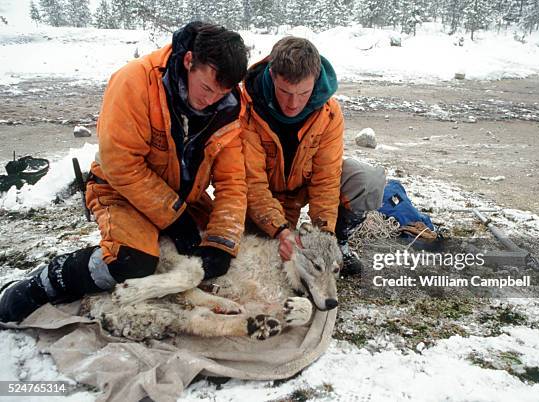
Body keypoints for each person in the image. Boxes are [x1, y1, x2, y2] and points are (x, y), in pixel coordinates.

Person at [0, 22, 249, 323]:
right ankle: (44, 283)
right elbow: (120, 164)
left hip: (184, 200)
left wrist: (221, 243)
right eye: (206, 88)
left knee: (230, 246)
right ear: (188, 62)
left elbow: (233, 181)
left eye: (219, 94)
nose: (210, 101)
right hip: (120, 190)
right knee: (132, 262)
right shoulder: (135, 81)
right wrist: (174, 217)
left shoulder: (231, 107)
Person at [240, 37, 385, 275]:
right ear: (272, 75)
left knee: (367, 180)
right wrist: (281, 231)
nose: (293, 103)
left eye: (303, 93)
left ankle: (339, 242)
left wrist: (325, 236)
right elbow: (252, 183)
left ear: (315, 81)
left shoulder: (329, 112)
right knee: (261, 259)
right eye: (285, 92)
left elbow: (326, 179)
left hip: (304, 187)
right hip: (261, 197)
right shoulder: (246, 108)